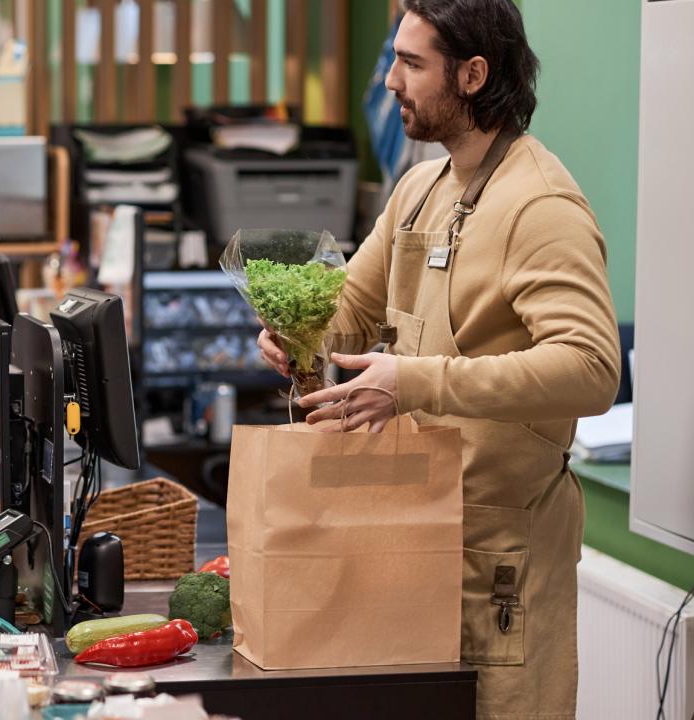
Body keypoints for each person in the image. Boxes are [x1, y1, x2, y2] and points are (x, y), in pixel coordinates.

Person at [257, 2, 619, 717]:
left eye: (411, 63)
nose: (390, 81)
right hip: (410, 540)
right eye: (395, 58)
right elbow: (350, 311)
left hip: (500, 567)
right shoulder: (421, 189)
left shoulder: (540, 206)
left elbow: (590, 368)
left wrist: (413, 383)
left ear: (474, 75)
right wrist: (297, 333)